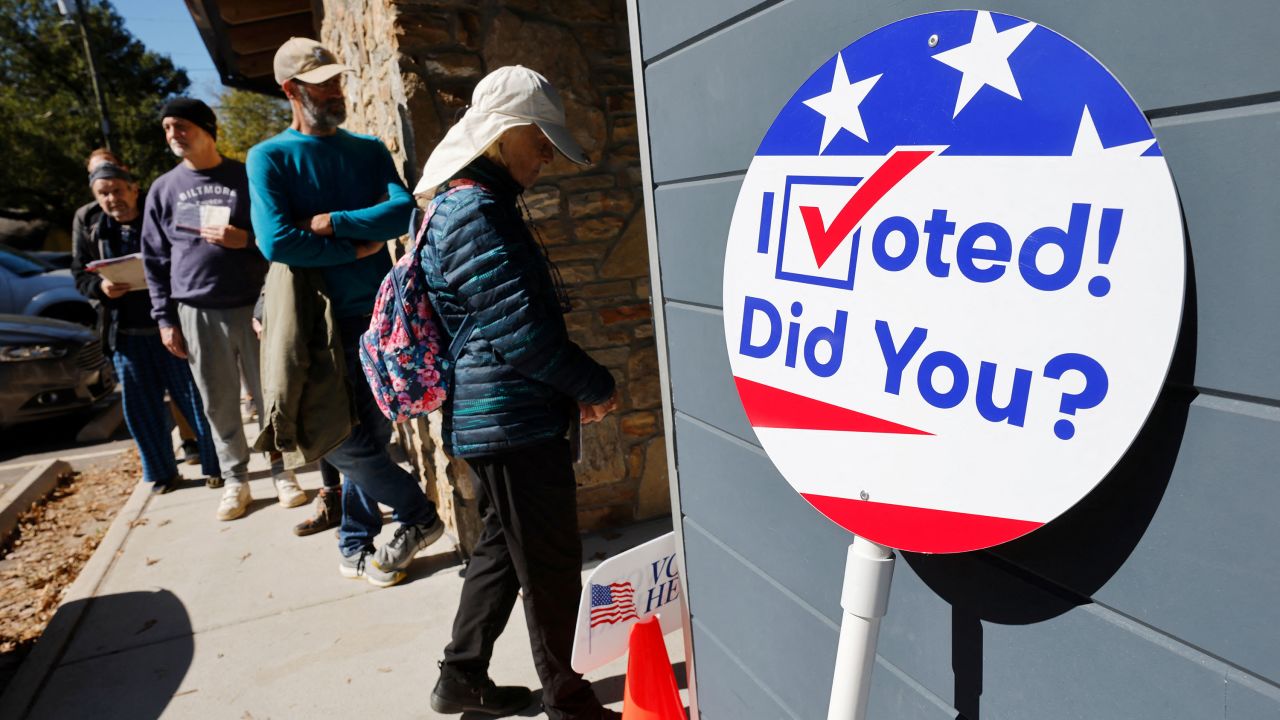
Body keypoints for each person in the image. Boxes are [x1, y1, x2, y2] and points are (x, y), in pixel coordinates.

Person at [416, 66, 620, 720]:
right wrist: (591, 383)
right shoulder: (475, 210)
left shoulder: (474, 201)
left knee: (503, 552)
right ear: (504, 134)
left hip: (499, 415)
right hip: (511, 419)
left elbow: (509, 325)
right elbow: (521, 334)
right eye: (539, 141)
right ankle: (569, 699)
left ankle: (460, 677)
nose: (545, 157)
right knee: (552, 568)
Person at [247, 37, 444, 585]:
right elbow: (276, 241)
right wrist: (356, 244)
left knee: (373, 440)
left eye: (338, 80)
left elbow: (401, 210)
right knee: (336, 437)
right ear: (291, 91)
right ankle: (419, 515)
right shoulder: (270, 157)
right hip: (316, 325)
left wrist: (333, 223)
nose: (337, 91)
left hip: (379, 317)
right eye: (323, 84)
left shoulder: (367, 149)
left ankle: (355, 540)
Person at [141, 97, 305, 521]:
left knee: (270, 393)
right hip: (195, 308)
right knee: (217, 399)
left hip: (252, 303)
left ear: (206, 128)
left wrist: (244, 239)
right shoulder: (163, 189)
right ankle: (236, 480)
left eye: (180, 125)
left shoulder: (243, 176)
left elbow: (275, 236)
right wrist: (164, 318)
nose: (173, 135)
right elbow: (155, 260)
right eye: (167, 128)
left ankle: (282, 471)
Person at [70, 162, 220, 493]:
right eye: (103, 193)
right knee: (141, 409)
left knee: (195, 398)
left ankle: (215, 465)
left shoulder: (161, 211)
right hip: (126, 333)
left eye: (117, 190)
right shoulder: (92, 226)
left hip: (173, 325)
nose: (112, 199)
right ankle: (162, 474)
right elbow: (80, 274)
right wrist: (100, 289)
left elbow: (200, 244)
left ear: (134, 188)